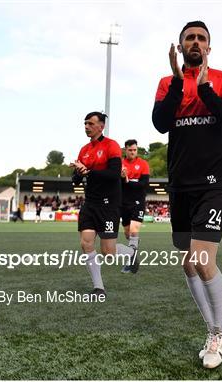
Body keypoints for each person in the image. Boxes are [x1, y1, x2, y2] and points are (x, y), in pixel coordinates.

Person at [152, 21, 222, 369]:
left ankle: (219, 332)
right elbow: (161, 122)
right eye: (189, 38)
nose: (195, 42)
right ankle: (212, 329)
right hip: (181, 184)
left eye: (201, 38)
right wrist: (179, 81)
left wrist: (206, 89)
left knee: (203, 259)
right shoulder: (168, 83)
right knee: (188, 262)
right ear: (180, 47)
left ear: (209, 46)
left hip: (215, 181)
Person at [71, 111, 122, 297]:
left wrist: (89, 172)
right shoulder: (84, 150)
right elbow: (76, 180)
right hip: (90, 203)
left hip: (109, 204)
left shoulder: (111, 146)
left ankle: (131, 254)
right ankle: (99, 288)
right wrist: (78, 173)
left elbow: (114, 174)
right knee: (86, 243)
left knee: (108, 252)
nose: (86, 127)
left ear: (101, 126)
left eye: (90, 123)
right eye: (85, 123)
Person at [119, 139, 150, 274]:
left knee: (133, 230)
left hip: (138, 201)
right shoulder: (120, 164)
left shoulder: (143, 164)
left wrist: (127, 181)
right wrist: (122, 179)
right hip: (123, 202)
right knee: (127, 233)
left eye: (134, 150)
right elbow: (116, 184)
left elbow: (144, 184)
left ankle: (130, 262)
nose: (132, 152)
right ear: (125, 150)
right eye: (130, 150)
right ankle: (134, 246)